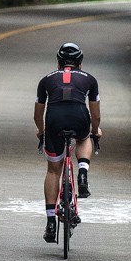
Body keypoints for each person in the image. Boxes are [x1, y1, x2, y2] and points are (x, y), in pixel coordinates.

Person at [33, 42, 101, 243]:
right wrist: (95, 132)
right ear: (80, 63)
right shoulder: (90, 79)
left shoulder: (45, 80)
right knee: (84, 136)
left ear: (58, 62)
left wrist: (42, 132)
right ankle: (82, 173)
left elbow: (37, 115)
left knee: (53, 170)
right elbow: (95, 115)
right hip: (79, 119)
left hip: (53, 121)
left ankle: (51, 222)